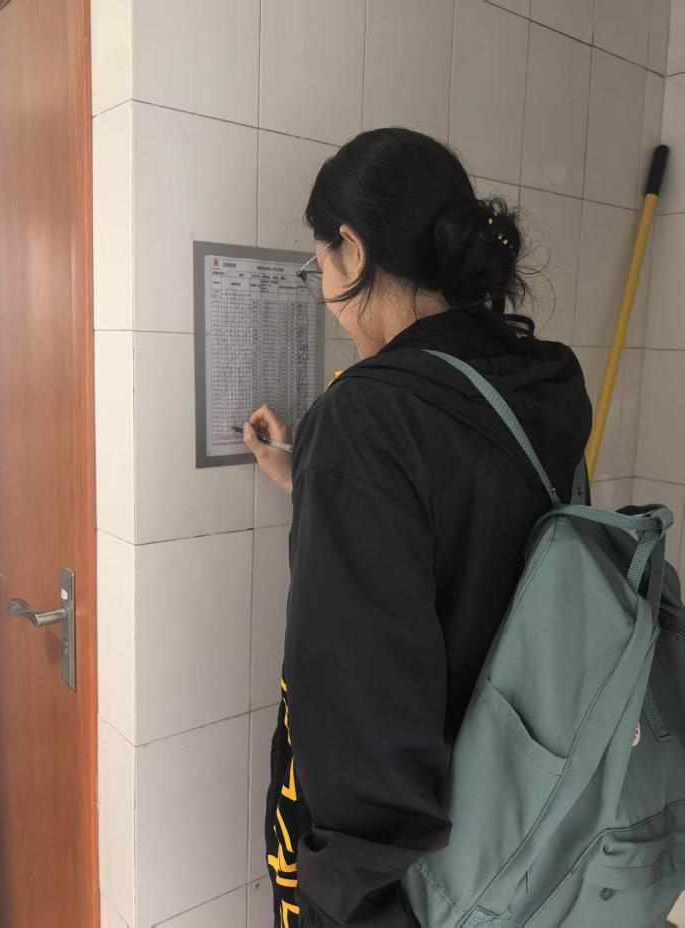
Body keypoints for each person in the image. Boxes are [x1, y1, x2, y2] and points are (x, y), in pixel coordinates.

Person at [242, 127, 593, 928]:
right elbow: (467, 528)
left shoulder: (368, 414)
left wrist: (351, 906)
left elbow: (360, 708)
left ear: (354, 250)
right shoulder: (535, 379)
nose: (326, 291)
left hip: (413, 881)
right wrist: (311, 478)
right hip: (524, 827)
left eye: (322, 265)